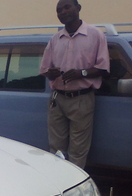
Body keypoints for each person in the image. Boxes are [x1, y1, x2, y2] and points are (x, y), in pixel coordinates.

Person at [40, 0, 109, 168]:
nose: (62, 12)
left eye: (66, 7)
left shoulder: (95, 35)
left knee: (78, 150)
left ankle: (73, 189)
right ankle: (58, 184)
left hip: (82, 98)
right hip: (57, 99)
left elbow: (104, 68)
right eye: (58, 10)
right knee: (56, 148)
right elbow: (44, 69)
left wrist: (81, 73)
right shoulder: (56, 39)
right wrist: (51, 73)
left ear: (78, 8)